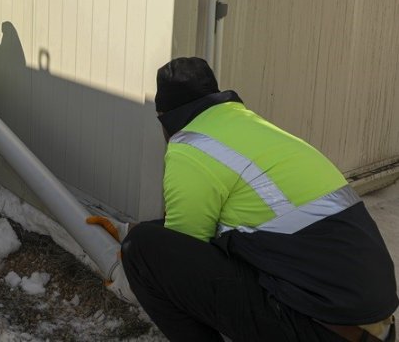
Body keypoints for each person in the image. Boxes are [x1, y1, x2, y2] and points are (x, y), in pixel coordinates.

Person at [118, 57, 396, 341]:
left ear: (164, 117)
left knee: (140, 248)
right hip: (372, 324)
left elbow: (180, 252)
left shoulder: (189, 148)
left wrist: (129, 252)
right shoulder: (254, 128)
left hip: (321, 328)